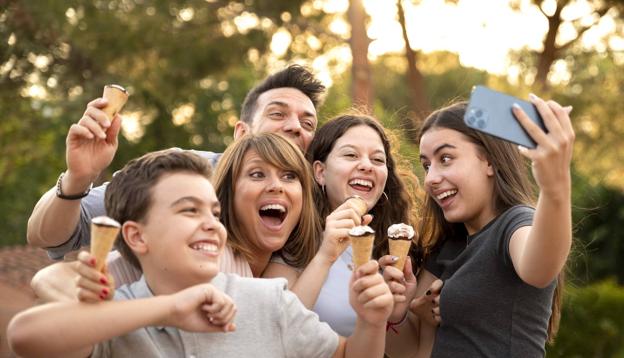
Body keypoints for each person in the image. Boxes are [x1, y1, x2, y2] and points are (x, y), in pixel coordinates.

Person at [9, 149, 394, 358]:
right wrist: (171, 309)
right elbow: (25, 337)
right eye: (188, 210)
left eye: (213, 212)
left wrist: (372, 323)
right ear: (137, 236)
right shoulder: (115, 317)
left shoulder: (269, 301)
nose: (212, 223)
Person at [26, 64, 325, 258]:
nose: (296, 127)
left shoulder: (314, 205)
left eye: (308, 124)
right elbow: (47, 236)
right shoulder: (179, 172)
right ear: (241, 132)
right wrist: (77, 177)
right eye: (277, 114)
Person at [32, 133, 321, 301]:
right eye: (257, 174)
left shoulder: (288, 266)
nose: (276, 185)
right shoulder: (202, 251)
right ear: (228, 194)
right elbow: (51, 280)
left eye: (289, 176)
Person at [386, 97, 574, 357]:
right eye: (426, 165)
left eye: (446, 158)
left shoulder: (514, 224)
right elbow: (410, 352)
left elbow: (540, 268)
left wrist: (555, 186)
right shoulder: (446, 248)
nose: (430, 179)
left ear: (488, 161)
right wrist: (392, 312)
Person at [263, 113, 422, 337]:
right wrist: (325, 255)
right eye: (350, 155)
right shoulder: (291, 239)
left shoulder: (388, 251)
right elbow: (274, 331)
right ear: (320, 172)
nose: (367, 165)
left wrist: (394, 315)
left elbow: (408, 353)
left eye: (377, 160)